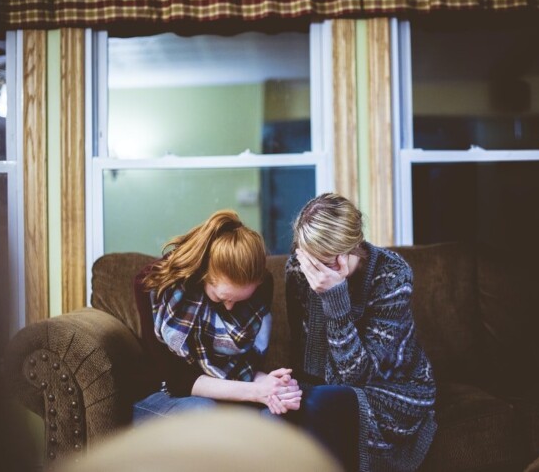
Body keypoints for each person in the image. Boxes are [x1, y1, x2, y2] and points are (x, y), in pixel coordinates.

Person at [284, 193, 437, 472]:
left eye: (325, 263)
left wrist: (335, 298)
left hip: (392, 389)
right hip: (327, 387)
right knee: (283, 408)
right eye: (310, 260)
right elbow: (304, 353)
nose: (314, 272)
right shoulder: (298, 268)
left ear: (352, 249)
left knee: (321, 403)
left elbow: (356, 377)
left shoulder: (391, 275)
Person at [133, 210, 301, 422]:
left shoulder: (262, 286)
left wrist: (273, 385)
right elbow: (177, 380)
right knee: (205, 413)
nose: (230, 308)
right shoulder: (153, 286)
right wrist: (257, 392)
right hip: (163, 393)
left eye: (239, 300)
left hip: (225, 392)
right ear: (203, 275)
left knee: (276, 417)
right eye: (221, 298)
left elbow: (246, 367)